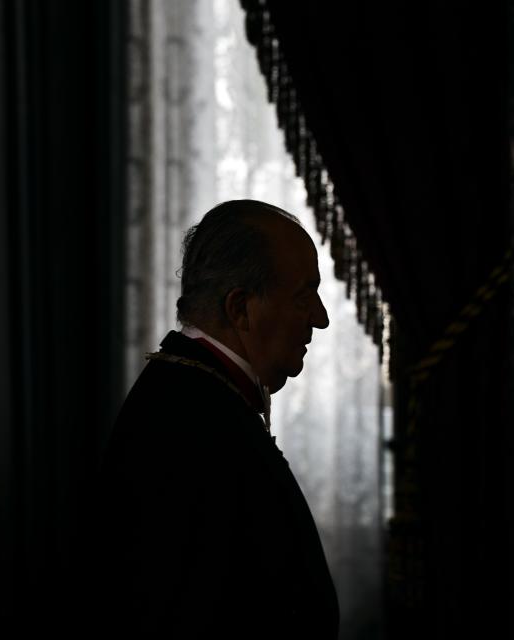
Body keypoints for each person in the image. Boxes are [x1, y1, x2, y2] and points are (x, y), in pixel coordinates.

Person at [84, 200, 338, 638]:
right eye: (303, 297)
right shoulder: (190, 425)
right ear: (240, 308)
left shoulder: (196, 394)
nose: (321, 318)